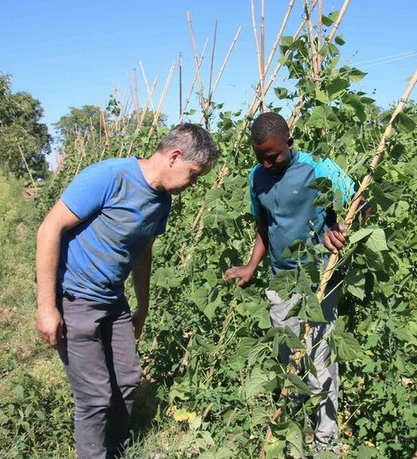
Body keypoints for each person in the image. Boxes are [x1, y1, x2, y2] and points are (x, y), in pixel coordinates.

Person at [36, 123, 219, 459]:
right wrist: (47, 307)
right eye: (194, 174)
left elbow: (143, 253)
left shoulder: (162, 201)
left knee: (127, 381)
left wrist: (142, 307)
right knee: (94, 397)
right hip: (75, 298)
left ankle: (116, 450)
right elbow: (49, 228)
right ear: (175, 157)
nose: (193, 184)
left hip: (113, 300)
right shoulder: (109, 177)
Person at [224, 112, 356, 451]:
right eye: (260, 157)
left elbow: (359, 202)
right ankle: (297, 426)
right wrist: (252, 266)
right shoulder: (257, 178)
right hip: (281, 280)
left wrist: (338, 228)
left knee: (320, 358)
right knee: (288, 357)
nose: (268, 163)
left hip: (319, 279)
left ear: (289, 142)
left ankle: (326, 441)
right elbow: (265, 226)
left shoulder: (319, 167)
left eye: (274, 156)